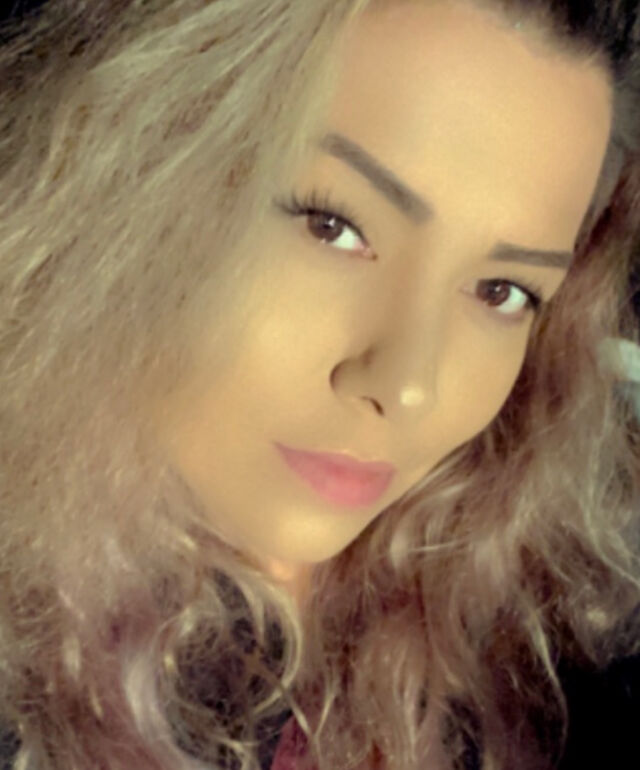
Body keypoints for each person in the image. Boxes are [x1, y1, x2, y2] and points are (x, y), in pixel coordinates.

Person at [0, 1, 639, 768]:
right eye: (330, 226)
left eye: (501, 292)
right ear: (125, 169)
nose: (406, 385)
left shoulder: (526, 655)